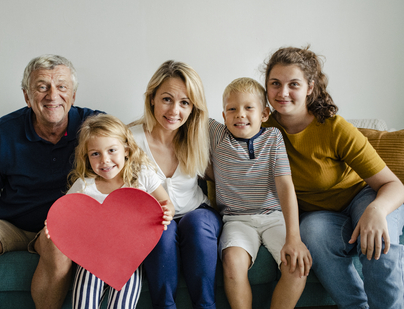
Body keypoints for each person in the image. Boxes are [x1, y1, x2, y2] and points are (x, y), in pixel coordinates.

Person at [0, 54, 102, 309]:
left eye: (61, 86)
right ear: (27, 96)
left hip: (58, 228)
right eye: (42, 86)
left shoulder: (94, 126)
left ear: (73, 95)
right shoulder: (5, 129)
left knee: (59, 242)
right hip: (10, 223)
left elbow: (126, 166)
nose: (52, 95)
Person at [263, 46, 404, 309]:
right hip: (321, 215)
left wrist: (376, 210)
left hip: (365, 196)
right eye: (275, 84)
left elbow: (394, 185)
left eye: (293, 84)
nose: (282, 93)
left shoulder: (334, 128)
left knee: (377, 240)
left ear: (309, 87)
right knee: (311, 231)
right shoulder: (263, 131)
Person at [208, 77, 311, 309]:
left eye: (248, 108)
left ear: (264, 114)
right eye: (231, 109)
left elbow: (285, 185)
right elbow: (187, 111)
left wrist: (293, 237)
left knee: (297, 266)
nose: (239, 114)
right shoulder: (217, 135)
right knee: (233, 264)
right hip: (236, 219)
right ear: (223, 116)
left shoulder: (273, 137)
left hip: (274, 217)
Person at [52, 113, 174, 309]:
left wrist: (167, 212)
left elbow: (165, 203)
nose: (105, 160)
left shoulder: (142, 175)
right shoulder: (84, 185)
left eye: (111, 150)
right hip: (92, 258)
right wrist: (54, 227)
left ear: (126, 150)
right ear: (87, 157)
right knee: (84, 301)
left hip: (129, 259)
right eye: (95, 154)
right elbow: (63, 215)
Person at [129, 60, 223, 309]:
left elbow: (224, 176)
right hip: (154, 220)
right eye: (167, 99)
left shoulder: (197, 137)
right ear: (152, 98)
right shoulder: (130, 139)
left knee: (196, 223)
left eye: (185, 103)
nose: (174, 111)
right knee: (162, 229)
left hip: (197, 213)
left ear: (193, 107)